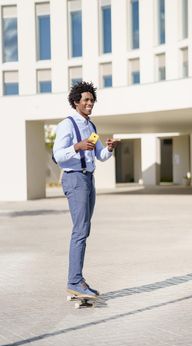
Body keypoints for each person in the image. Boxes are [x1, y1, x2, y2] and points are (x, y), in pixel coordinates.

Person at [53, 81, 119, 298]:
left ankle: (76, 280)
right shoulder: (67, 124)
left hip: (89, 180)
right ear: (76, 102)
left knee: (84, 230)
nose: (90, 103)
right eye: (86, 100)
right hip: (74, 179)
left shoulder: (91, 127)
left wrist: (109, 148)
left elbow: (100, 156)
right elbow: (57, 155)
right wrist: (77, 146)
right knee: (80, 230)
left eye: (92, 100)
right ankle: (74, 282)